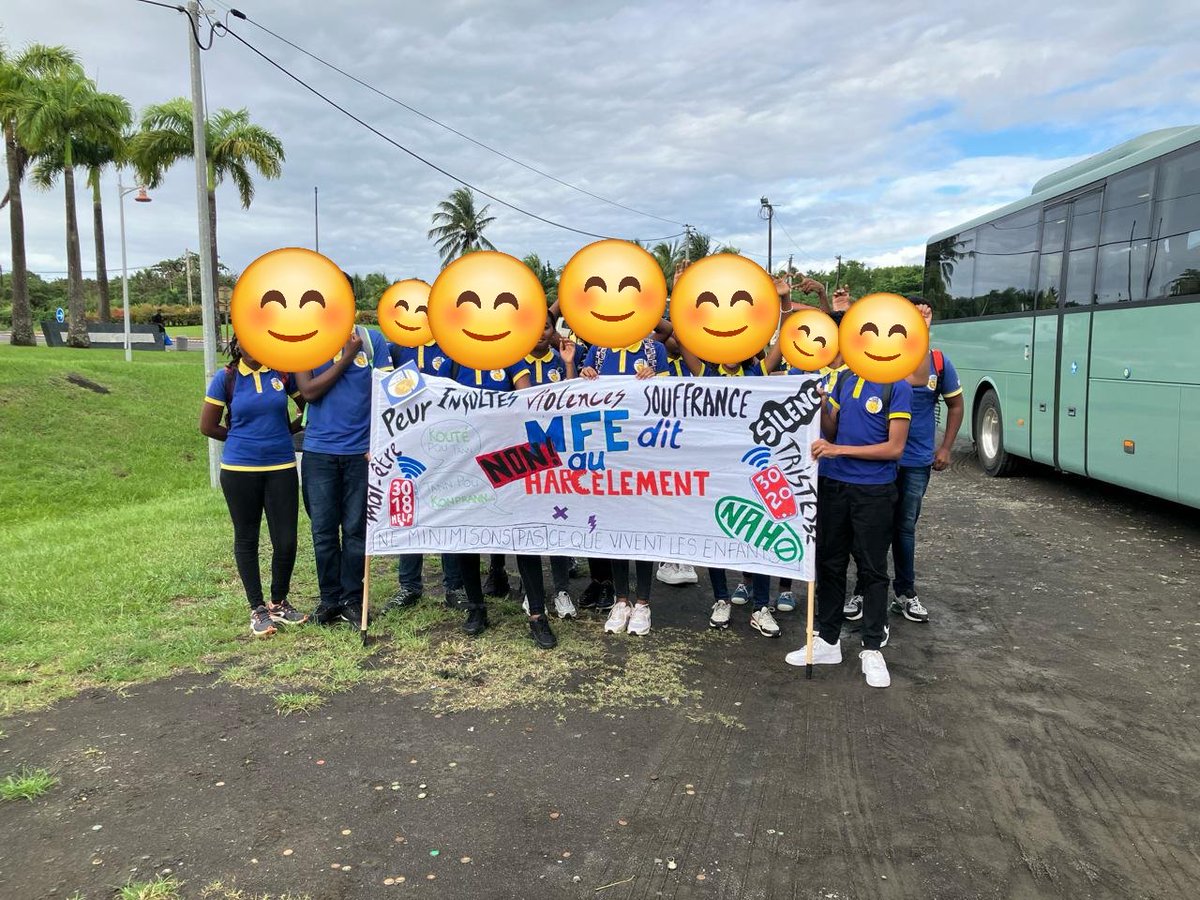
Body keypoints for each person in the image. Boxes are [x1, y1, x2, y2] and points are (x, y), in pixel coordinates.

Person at [784, 357, 913, 688]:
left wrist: (838, 449)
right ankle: (827, 640)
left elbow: (895, 448)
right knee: (829, 563)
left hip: (874, 491)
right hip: (833, 484)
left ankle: (871, 647)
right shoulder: (844, 378)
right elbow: (831, 428)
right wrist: (823, 404)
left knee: (872, 569)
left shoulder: (896, 385)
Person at [842, 299, 964, 625]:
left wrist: (946, 447)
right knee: (870, 530)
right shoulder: (874, 360)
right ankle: (863, 589)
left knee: (904, 527)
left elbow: (953, 404)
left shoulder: (937, 361)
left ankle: (905, 592)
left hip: (914, 460)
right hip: (877, 460)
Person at [435, 356, 558, 649]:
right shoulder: (453, 361)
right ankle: (476, 608)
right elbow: (436, 403)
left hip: (508, 461)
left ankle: (537, 614)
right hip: (464, 459)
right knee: (468, 532)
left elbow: (526, 400)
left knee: (523, 534)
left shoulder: (510, 356)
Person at [200, 336, 307, 636]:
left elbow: (305, 409)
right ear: (238, 346)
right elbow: (207, 425)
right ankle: (258, 609)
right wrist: (240, 439)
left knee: (285, 539)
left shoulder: (281, 374)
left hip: (282, 468)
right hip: (239, 470)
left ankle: (279, 602)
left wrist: (285, 432)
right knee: (247, 537)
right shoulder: (227, 378)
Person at [674, 338, 780, 637]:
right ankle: (721, 599)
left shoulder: (757, 372)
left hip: (751, 470)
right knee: (717, 537)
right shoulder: (705, 372)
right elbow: (684, 339)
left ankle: (761, 606)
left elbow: (784, 343)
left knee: (758, 536)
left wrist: (784, 301)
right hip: (716, 472)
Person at [295, 308, 392, 626]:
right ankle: (329, 600)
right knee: (323, 531)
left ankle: (353, 599)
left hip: (360, 454)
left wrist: (377, 441)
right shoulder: (306, 340)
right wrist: (346, 356)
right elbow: (308, 392)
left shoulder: (372, 339)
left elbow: (387, 393)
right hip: (319, 453)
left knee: (355, 531)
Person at [580, 331, 669, 636]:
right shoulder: (598, 349)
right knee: (615, 524)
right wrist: (586, 375)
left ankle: (643, 602)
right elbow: (582, 391)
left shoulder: (655, 350)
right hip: (608, 453)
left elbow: (670, 399)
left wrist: (654, 377)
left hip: (644, 452)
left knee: (644, 524)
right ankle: (621, 600)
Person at [387, 331, 465, 611]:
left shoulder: (451, 346)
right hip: (407, 440)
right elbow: (386, 395)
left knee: (448, 508)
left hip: (444, 441)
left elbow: (460, 393)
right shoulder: (396, 348)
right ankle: (408, 585)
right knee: (409, 510)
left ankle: (455, 586)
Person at [514, 317, 578, 620]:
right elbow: (520, 404)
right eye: (534, 326)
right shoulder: (513, 360)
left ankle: (562, 590)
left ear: (554, 332)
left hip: (560, 455)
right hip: (527, 456)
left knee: (559, 521)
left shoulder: (560, 359)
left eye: (547, 328)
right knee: (531, 521)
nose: (540, 333)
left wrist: (568, 364)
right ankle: (531, 591)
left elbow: (575, 400)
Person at [654, 334, 700, 588]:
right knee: (664, 497)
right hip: (663, 441)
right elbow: (669, 334)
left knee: (689, 498)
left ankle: (685, 556)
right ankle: (666, 558)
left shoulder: (705, 365)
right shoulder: (660, 359)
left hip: (693, 444)